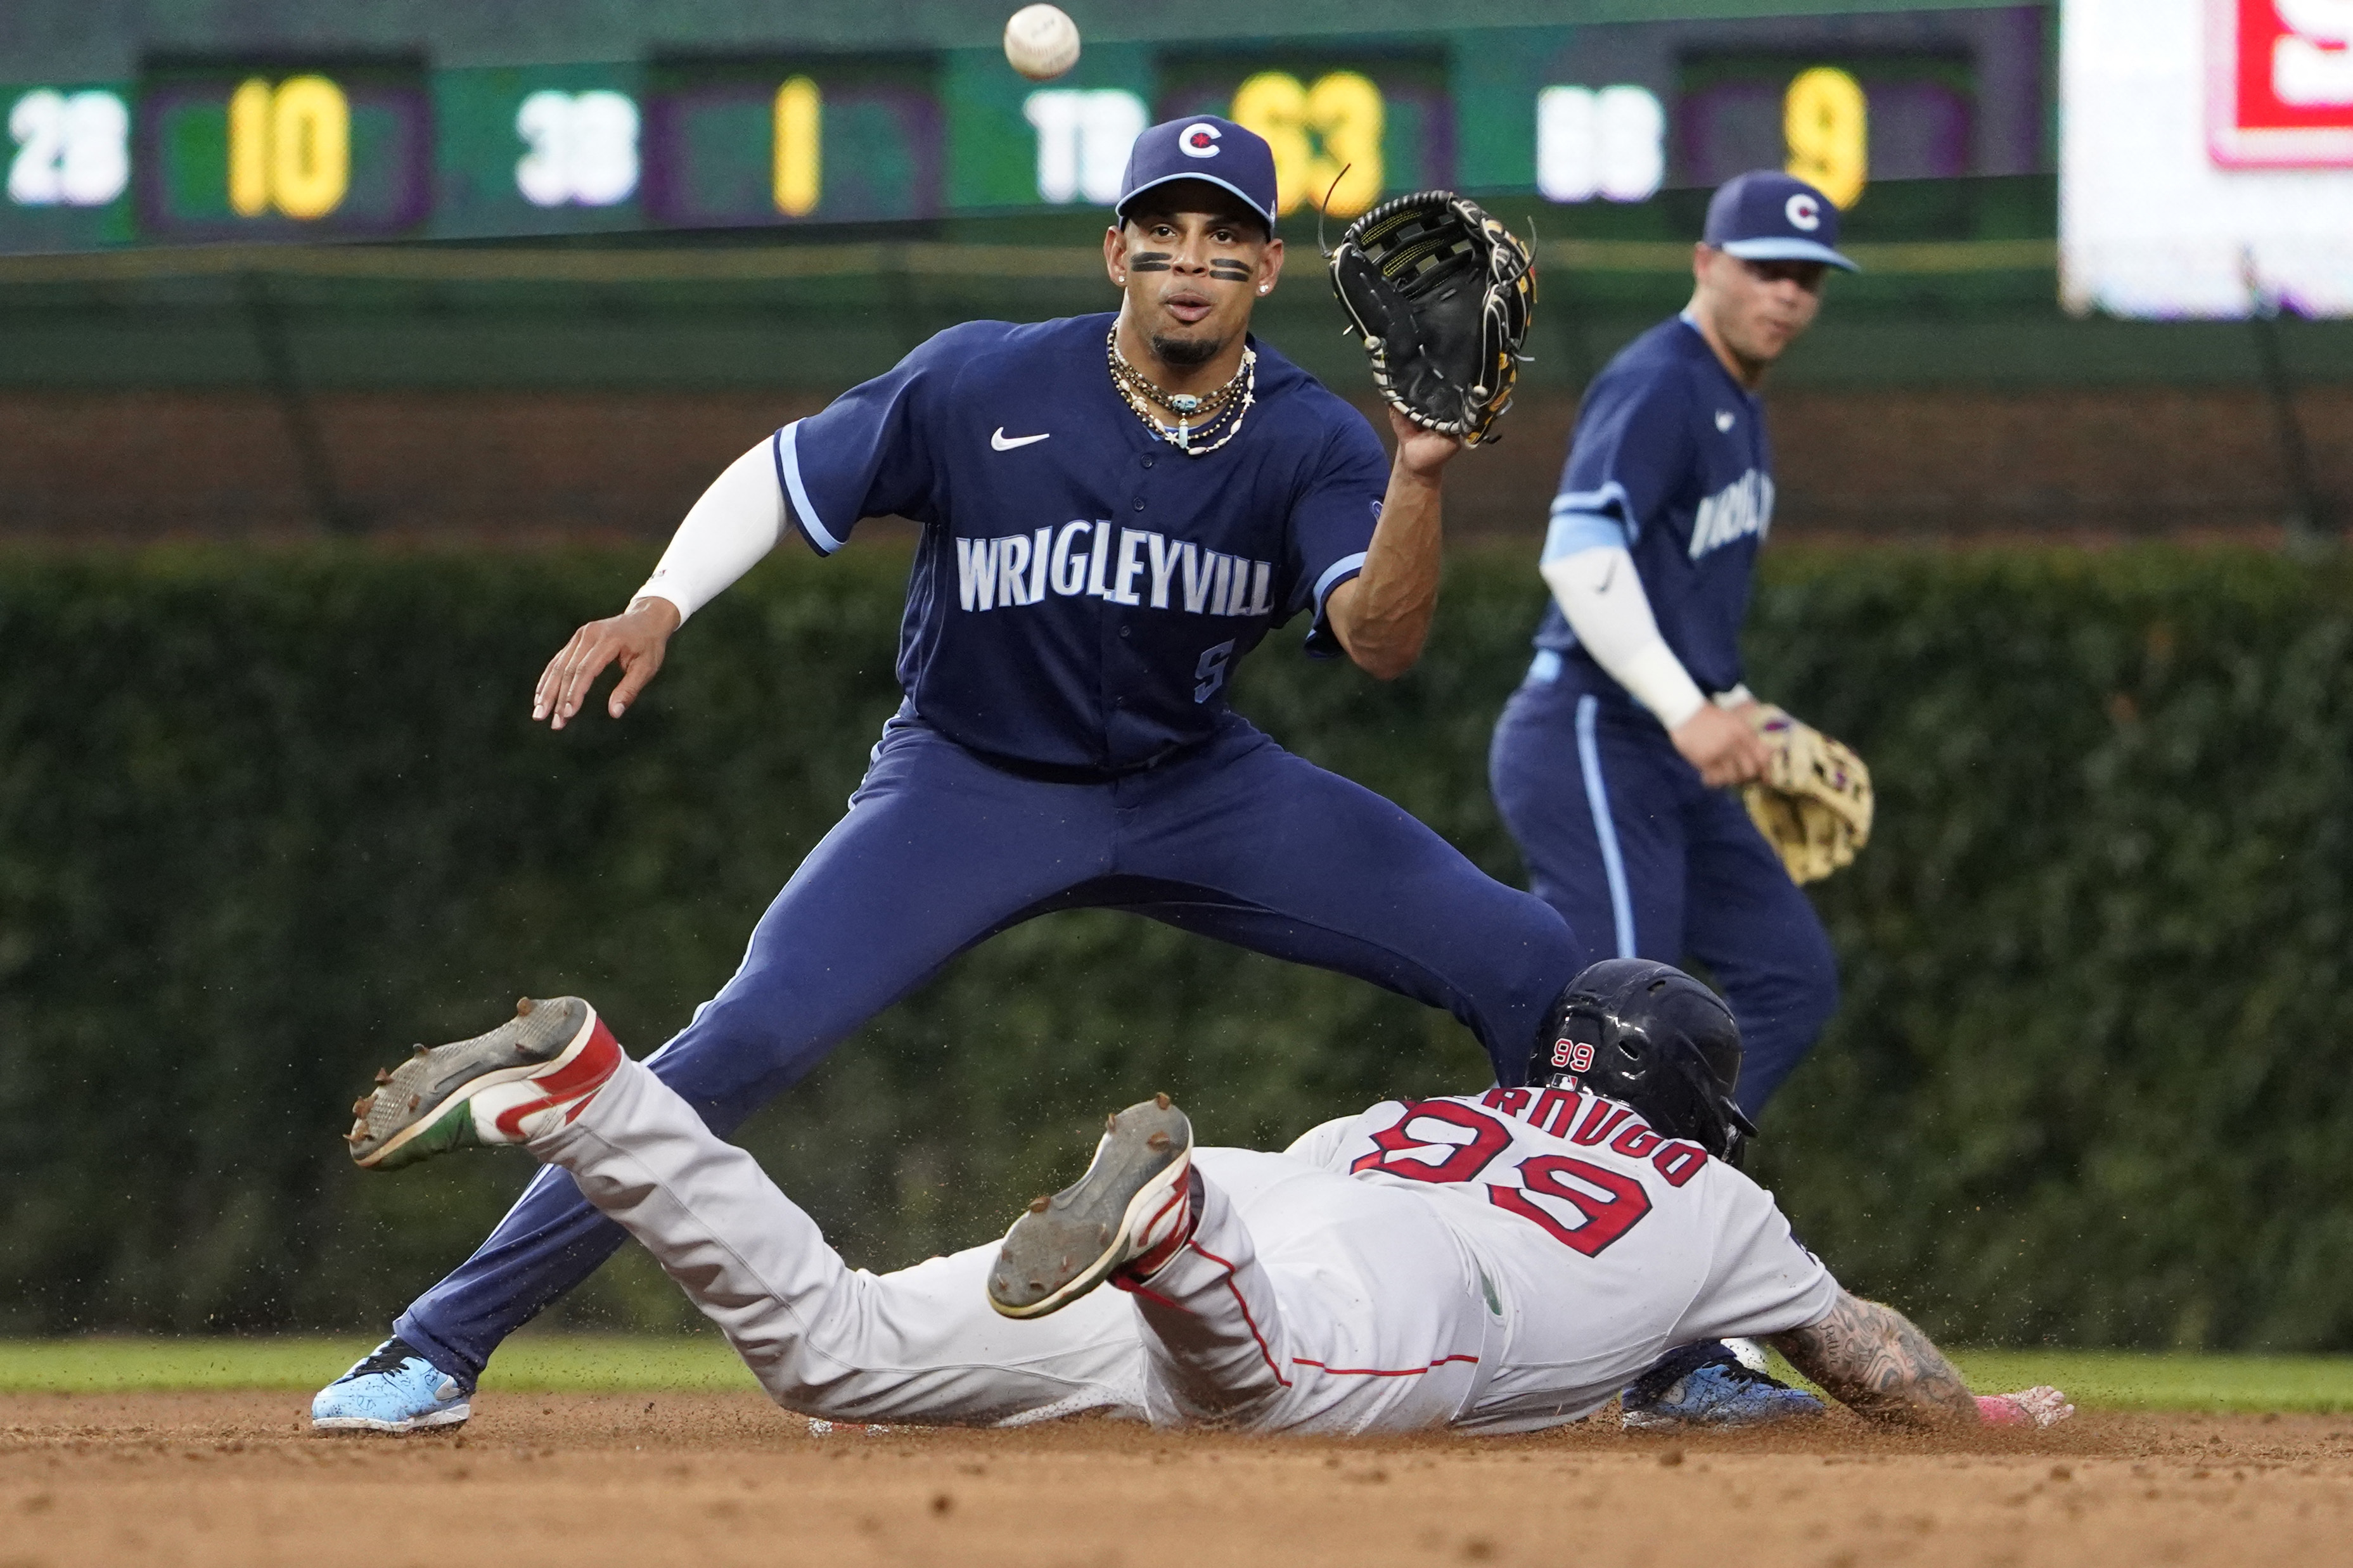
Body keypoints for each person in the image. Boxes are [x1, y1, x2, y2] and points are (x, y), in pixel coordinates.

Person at [311, 116, 1584, 1433]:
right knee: (741, 1033)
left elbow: (1381, 640)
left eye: (1222, 238)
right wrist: (659, 602)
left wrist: (1421, 476)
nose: (1188, 263)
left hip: (1193, 783)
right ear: (1115, 253)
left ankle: (1663, 1338)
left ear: (1267, 267)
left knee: (1534, 962)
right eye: (1163, 235)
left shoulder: (1312, 439)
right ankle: (435, 1345)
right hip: (966, 785)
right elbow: (786, 468)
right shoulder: (984, 381)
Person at [320, 962, 2072, 1437]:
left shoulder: (1428, 1102)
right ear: (1697, 1104)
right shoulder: (1707, 1191)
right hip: (1377, 1291)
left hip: (1283, 1179)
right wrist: (1981, 1418)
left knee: (835, 1353)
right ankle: (1167, 1236)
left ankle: (598, 1097)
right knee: (1286, 1406)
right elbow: (1864, 1352)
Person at [1490, 169, 1854, 1122]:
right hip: (1588, 734)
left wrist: (1732, 707)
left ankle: (1668, 1197)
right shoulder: (1660, 380)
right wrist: (1686, 707)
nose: (1785, 293)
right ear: (1705, 264)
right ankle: (1535, 1215)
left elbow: (1678, 592)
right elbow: (1577, 557)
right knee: (1615, 1023)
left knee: (1789, 982)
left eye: (1806, 278)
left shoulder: (1737, 404)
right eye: (1765, 267)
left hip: (1665, 743)